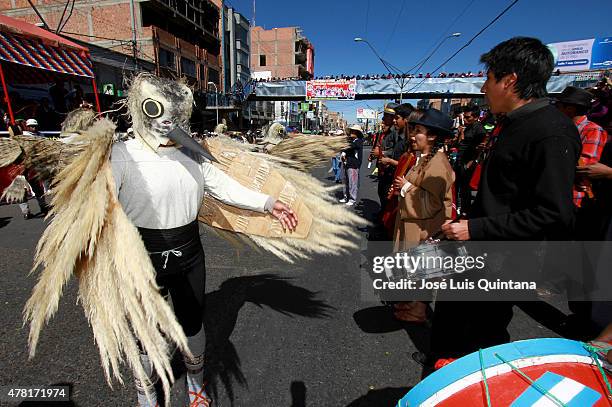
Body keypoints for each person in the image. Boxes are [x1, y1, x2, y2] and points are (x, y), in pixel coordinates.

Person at [433, 37, 580, 364]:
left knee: (481, 339)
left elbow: (555, 213)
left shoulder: (550, 131)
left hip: (504, 260)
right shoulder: (510, 124)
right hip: (477, 250)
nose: (483, 87)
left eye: (488, 78)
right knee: (451, 329)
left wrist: (476, 229)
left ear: (510, 80)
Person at [391, 108, 454, 322]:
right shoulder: (426, 158)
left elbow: (433, 201)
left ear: (432, 136)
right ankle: (412, 302)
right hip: (415, 224)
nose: (412, 135)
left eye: (418, 130)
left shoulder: (437, 163)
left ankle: (418, 311)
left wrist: (406, 187)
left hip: (425, 227)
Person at [454, 105, 486, 214]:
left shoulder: (479, 129)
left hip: (468, 162)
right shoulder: (466, 127)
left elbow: (480, 148)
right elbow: (459, 143)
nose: (466, 119)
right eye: (465, 117)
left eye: (468, 117)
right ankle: (459, 208)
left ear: (475, 117)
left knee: (465, 189)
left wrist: (471, 162)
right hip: (460, 160)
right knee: (458, 186)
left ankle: (465, 211)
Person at [369, 103, 399, 210]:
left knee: (387, 195)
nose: (384, 118)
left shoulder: (395, 132)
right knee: (381, 192)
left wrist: (382, 153)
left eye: (387, 116)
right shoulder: (383, 133)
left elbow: (397, 151)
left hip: (390, 169)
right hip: (382, 168)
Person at [339, 124, 364, 206]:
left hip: (353, 165)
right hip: (346, 163)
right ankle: (346, 197)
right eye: (351, 131)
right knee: (345, 181)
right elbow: (346, 149)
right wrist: (343, 153)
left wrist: (343, 147)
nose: (351, 132)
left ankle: (352, 199)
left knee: (352, 182)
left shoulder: (359, 141)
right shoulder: (351, 141)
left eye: (353, 131)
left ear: (357, 133)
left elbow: (352, 147)